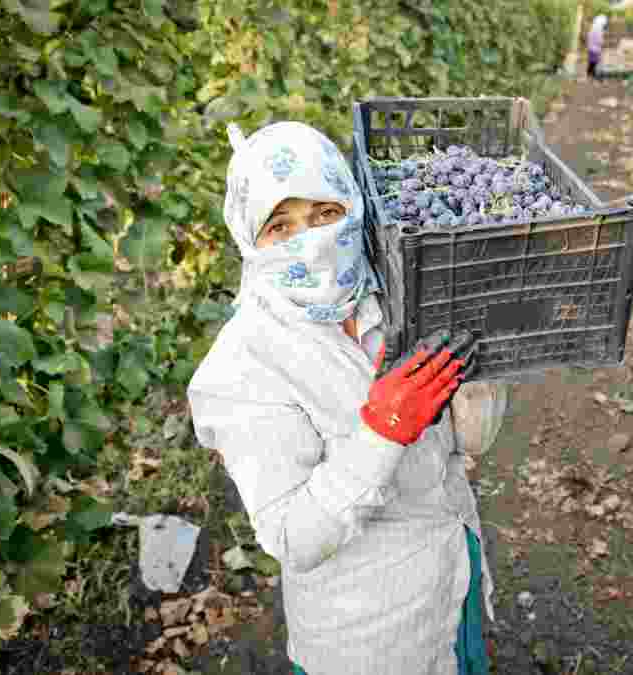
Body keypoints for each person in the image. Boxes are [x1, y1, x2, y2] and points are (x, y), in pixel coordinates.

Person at [187, 121, 496, 675]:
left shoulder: (395, 294)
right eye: (280, 226)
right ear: (247, 238)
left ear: (352, 206)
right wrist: (381, 432)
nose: (312, 239)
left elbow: (472, 443)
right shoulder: (242, 367)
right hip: (368, 640)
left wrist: (481, 374)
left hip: (454, 578)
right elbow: (293, 537)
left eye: (325, 214)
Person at [586, 14, 608, 79]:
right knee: (595, 62)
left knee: (592, 62)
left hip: (591, 47)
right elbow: (599, 40)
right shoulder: (598, 29)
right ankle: (594, 75)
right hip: (595, 48)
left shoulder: (593, 28)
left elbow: (589, 37)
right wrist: (602, 43)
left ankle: (590, 74)